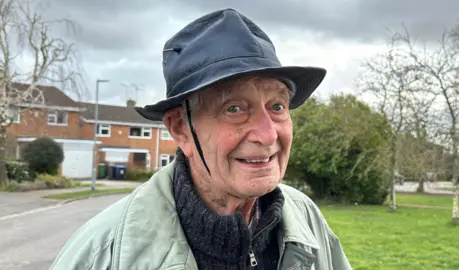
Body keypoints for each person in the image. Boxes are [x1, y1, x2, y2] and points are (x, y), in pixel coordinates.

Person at [50, 8, 352, 270]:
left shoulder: (306, 219)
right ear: (181, 129)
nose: (268, 134)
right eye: (234, 108)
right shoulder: (103, 253)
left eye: (277, 107)